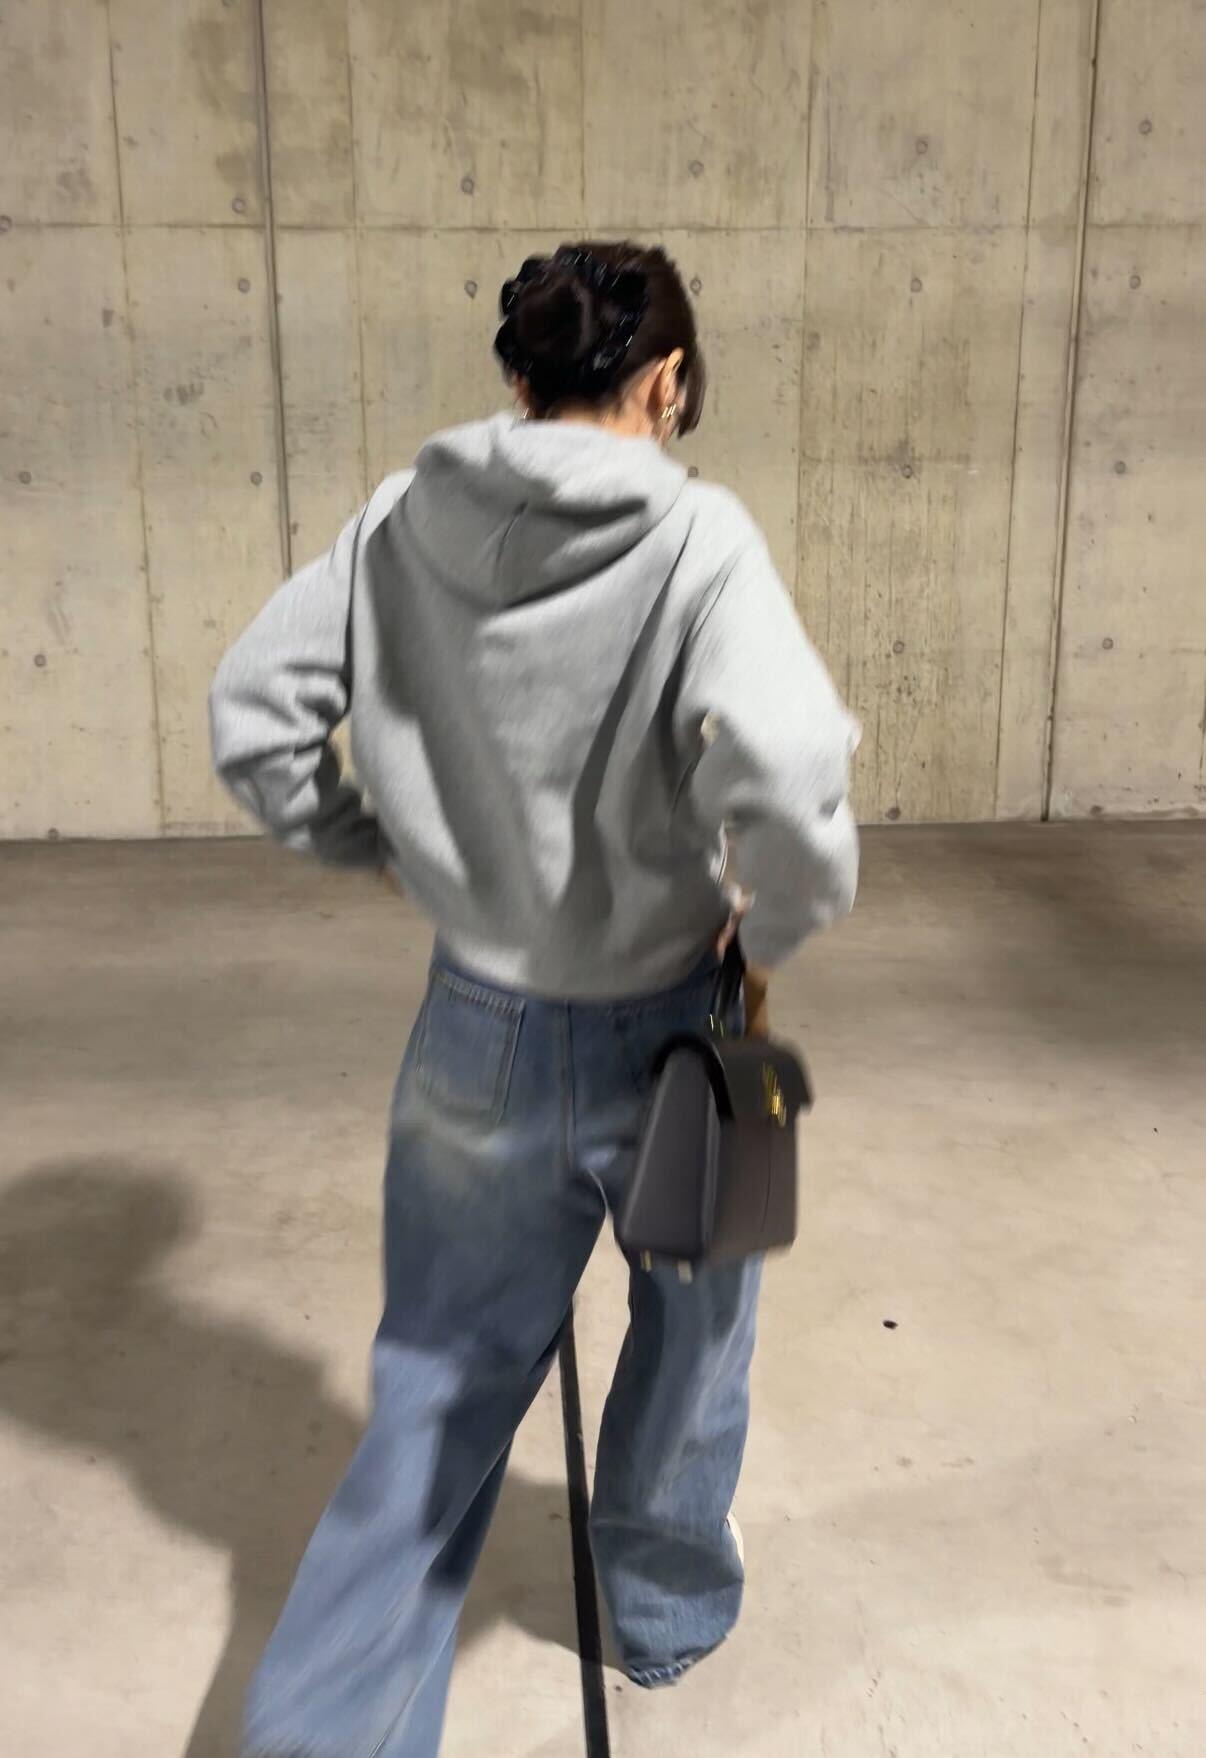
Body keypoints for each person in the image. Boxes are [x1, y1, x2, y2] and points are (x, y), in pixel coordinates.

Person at [209, 240, 859, 1758]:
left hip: (477, 1030)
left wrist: (376, 844)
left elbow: (256, 715)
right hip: (680, 1026)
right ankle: (661, 1613)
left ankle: (325, 1734)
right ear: (667, 380)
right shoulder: (699, 542)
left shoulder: (399, 518)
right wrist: (776, 919)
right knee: (697, 1333)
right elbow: (788, 774)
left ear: (518, 378)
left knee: (439, 1381)